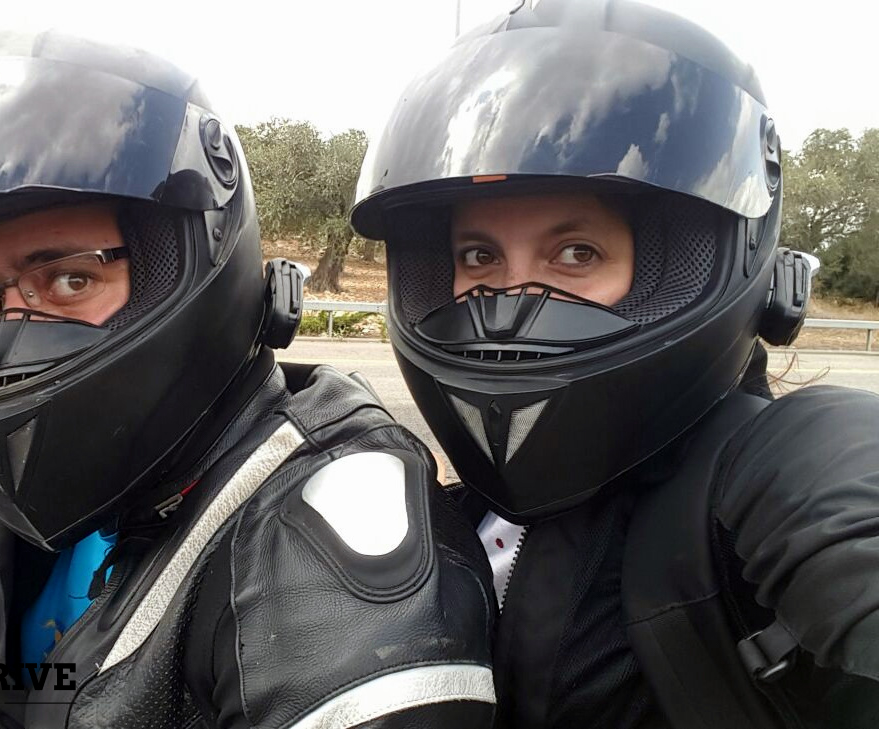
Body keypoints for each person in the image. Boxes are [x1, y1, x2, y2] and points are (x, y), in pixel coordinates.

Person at [0, 31, 496, 728]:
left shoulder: (319, 556)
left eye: (69, 279)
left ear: (185, 263)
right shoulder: (79, 499)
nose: (5, 342)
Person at [350, 1, 879, 727]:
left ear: (680, 267)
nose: (508, 303)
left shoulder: (772, 473)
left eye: (575, 253)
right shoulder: (452, 514)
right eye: (478, 256)